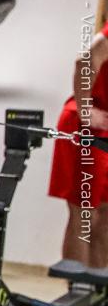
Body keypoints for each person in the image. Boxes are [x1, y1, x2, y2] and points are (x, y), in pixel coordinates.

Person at [49, 21, 108, 267]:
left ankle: (96, 287)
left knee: (105, 214)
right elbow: (85, 60)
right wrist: (85, 109)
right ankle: (77, 287)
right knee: (84, 214)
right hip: (88, 127)